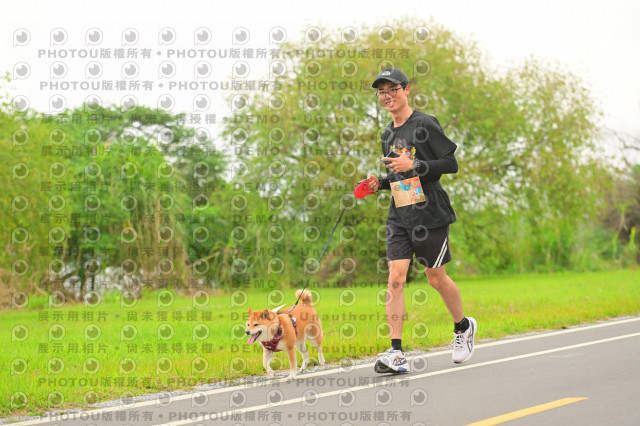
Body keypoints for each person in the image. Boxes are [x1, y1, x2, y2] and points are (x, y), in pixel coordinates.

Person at [365, 67, 477, 373]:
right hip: (400, 212)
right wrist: (380, 184)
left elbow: (450, 163)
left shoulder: (425, 124)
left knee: (435, 278)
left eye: (392, 90)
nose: (387, 96)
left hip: (429, 212)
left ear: (406, 89)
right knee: (395, 277)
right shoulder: (387, 133)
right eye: (381, 92)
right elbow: (399, 175)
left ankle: (463, 327)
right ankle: (396, 352)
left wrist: (414, 163)